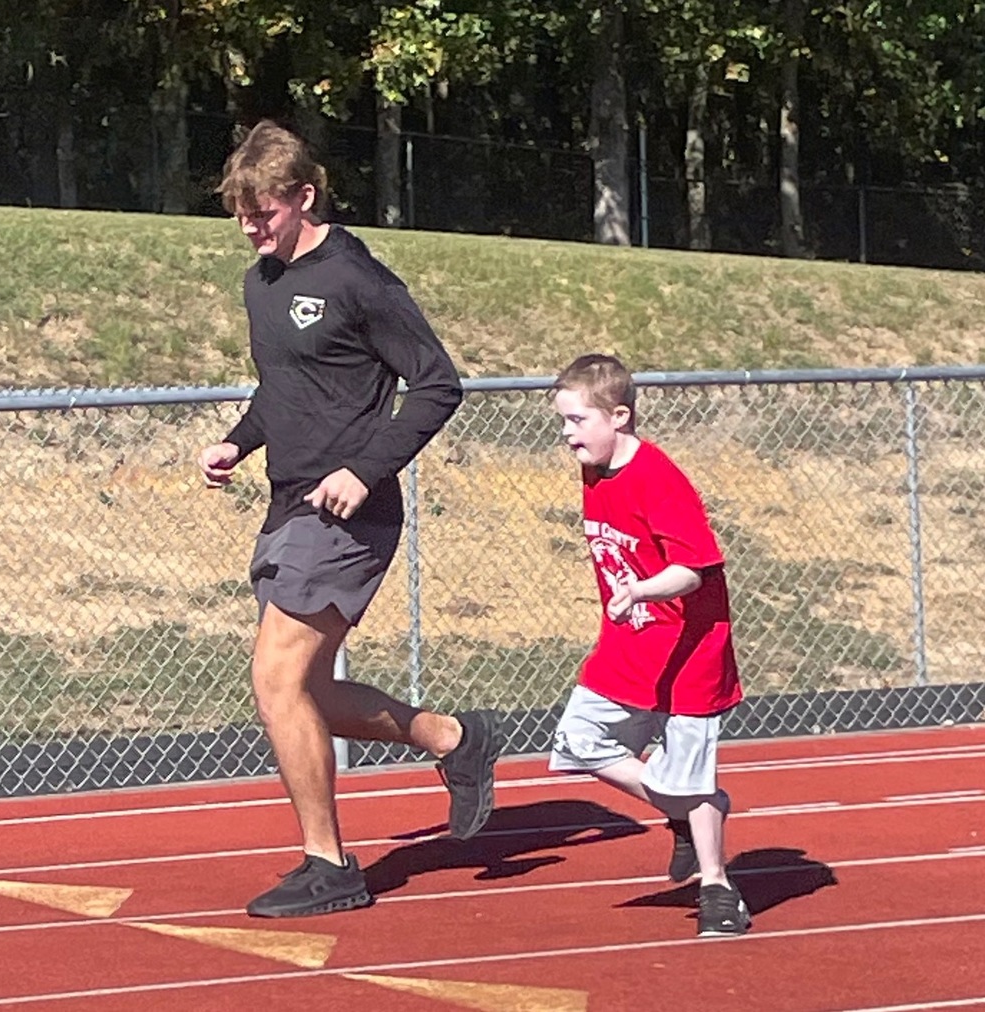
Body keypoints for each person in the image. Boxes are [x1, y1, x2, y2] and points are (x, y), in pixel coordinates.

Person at [198, 119, 504, 919]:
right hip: (287, 502)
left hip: (349, 513)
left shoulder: (358, 278)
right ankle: (453, 739)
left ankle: (329, 866)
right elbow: (285, 388)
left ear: (305, 196)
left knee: (275, 678)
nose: (251, 227)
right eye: (240, 213)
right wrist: (237, 441)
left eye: (263, 211)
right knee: (304, 690)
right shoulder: (259, 283)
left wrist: (364, 469)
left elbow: (436, 385)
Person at [548, 353, 750, 937]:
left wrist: (638, 590)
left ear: (620, 417)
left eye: (577, 421)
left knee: (690, 772)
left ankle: (717, 888)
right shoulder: (594, 468)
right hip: (630, 645)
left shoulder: (659, 478)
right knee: (579, 740)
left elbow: (694, 568)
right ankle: (685, 811)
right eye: (562, 422)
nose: (567, 435)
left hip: (691, 649)